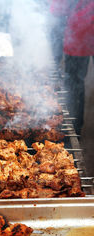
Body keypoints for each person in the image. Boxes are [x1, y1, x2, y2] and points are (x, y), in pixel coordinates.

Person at [50, 0, 94, 135]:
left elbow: (58, 8)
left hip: (81, 30)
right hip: (83, 27)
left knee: (74, 83)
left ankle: (73, 130)